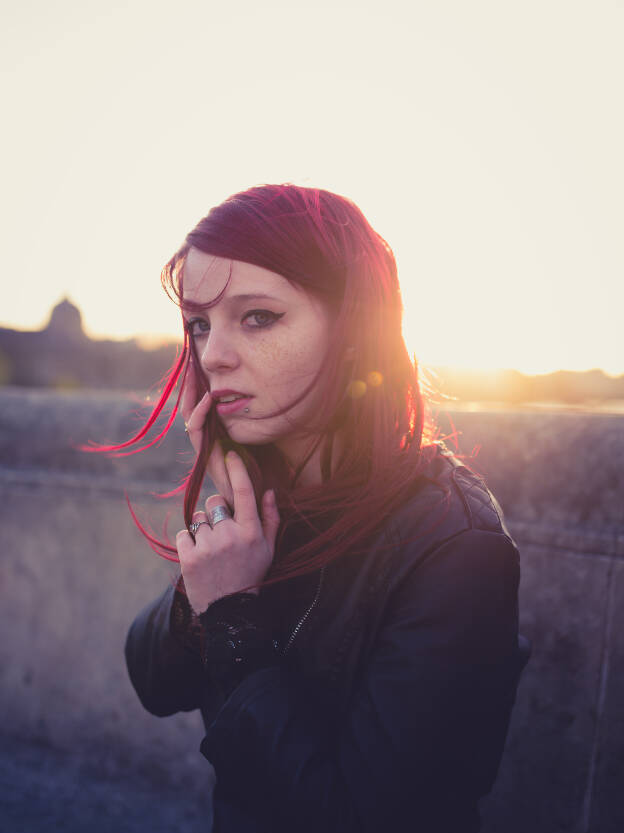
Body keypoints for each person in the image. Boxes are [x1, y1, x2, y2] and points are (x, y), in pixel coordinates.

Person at [121, 184, 524, 833]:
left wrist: (235, 617)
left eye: (257, 317)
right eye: (200, 323)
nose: (214, 353)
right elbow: (151, 679)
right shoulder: (267, 491)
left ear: (357, 331)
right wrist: (221, 530)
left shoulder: (453, 544)